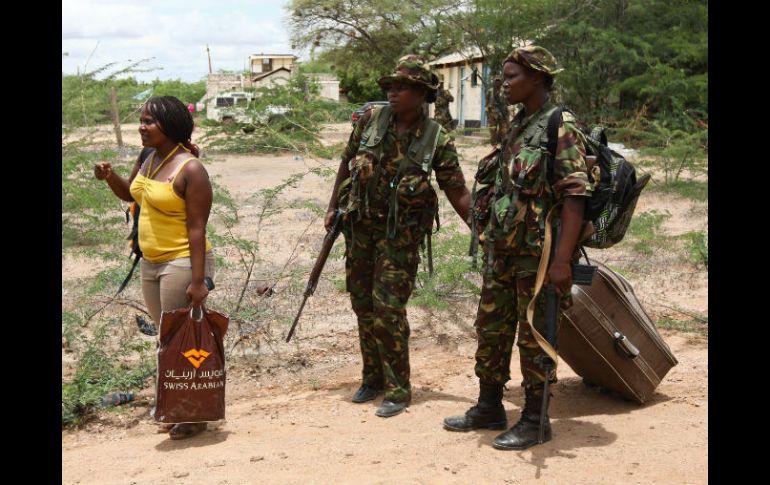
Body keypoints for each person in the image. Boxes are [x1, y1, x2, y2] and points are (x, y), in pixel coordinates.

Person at [443, 46, 593, 449]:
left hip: (540, 256)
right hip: (504, 251)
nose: (503, 83)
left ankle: (535, 419)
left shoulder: (558, 125)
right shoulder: (519, 124)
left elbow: (575, 196)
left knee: (535, 336)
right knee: (491, 328)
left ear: (538, 79)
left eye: (511, 77)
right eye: (503, 76)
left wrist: (562, 261)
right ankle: (489, 405)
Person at [324, 55, 471, 418]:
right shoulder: (370, 122)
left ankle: (398, 389)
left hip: (400, 237)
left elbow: (456, 190)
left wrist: (480, 232)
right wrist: (332, 207)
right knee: (362, 304)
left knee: (388, 309)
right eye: (390, 86)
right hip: (360, 229)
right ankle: (371, 379)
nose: (392, 92)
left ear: (422, 93)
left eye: (401, 86)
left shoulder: (437, 138)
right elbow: (346, 163)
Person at [94, 95, 215, 440]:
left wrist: (197, 281)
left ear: (171, 126)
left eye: (149, 121)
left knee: (182, 339)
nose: (142, 127)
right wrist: (109, 177)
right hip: (151, 261)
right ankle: (175, 403)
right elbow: (131, 196)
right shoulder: (148, 158)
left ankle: (194, 413)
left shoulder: (190, 168)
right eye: (142, 120)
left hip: (181, 261)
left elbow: (197, 228)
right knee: (166, 339)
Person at [485, 77, 509, 146]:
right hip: (492, 113)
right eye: (496, 81)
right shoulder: (490, 91)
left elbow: (507, 102)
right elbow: (487, 101)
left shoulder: (504, 91)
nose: (497, 83)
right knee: (492, 130)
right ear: (494, 83)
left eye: (499, 82)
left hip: (502, 113)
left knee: (503, 130)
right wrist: (487, 110)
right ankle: (494, 144)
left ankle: (503, 144)